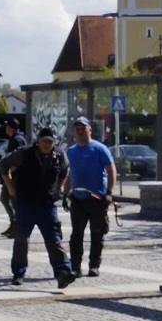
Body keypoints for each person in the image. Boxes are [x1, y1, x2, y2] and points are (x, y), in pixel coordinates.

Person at [4, 126, 75, 289]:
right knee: (21, 240)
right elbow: (3, 164)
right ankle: (18, 273)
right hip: (26, 205)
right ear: (38, 141)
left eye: (50, 141)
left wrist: (60, 187)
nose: (47, 144)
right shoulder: (24, 153)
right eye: (44, 141)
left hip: (47, 206)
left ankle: (63, 273)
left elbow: (65, 170)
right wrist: (10, 187)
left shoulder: (60, 155)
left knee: (54, 240)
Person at [65, 117, 117, 277]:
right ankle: (75, 267)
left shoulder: (100, 149)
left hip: (97, 198)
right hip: (77, 198)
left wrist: (109, 192)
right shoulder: (71, 151)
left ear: (90, 130)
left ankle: (94, 265)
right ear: (74, 132)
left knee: (97, 233)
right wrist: (65, 194)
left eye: (83, 128)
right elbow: (69, 175)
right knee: (76, 235)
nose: (80, 131)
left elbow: (111, 170)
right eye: (77, 129)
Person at [0, 119, 25, 237]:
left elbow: (18, 160)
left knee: (12, 200)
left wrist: (8, 172)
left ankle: (17, 225)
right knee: (6, 198)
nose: (5, 129)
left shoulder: (17, 140)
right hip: (11, 174)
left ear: (10, 128)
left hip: (14, 175)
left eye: (7, 127)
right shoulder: (16, 138)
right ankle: (14, 223)